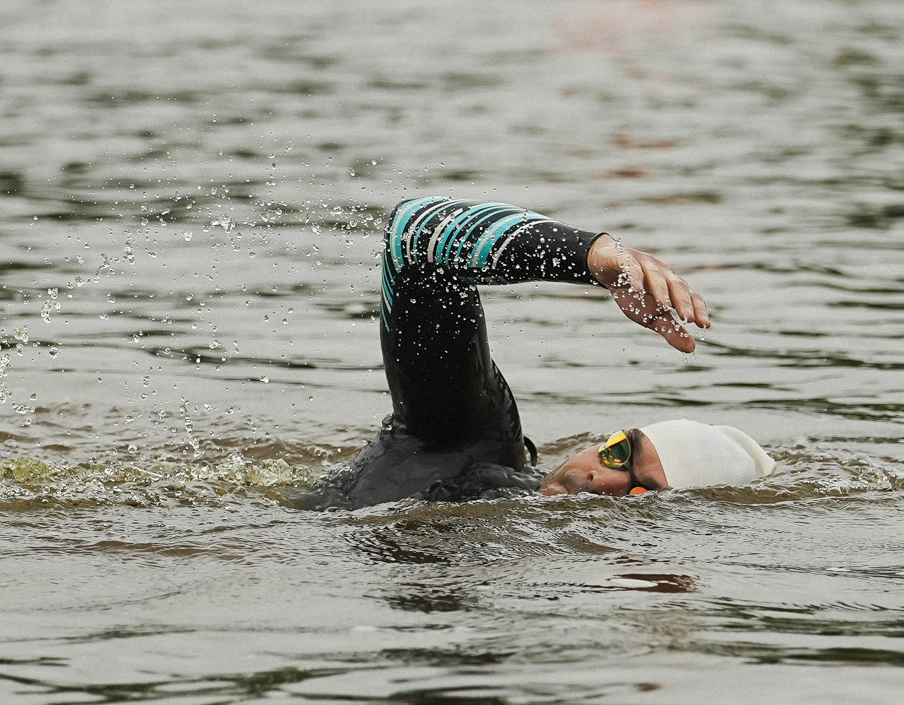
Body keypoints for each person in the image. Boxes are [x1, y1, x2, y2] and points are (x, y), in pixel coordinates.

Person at [299, 196, 776, 510]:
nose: (602, 480)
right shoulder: (468, 444)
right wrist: (592, 257)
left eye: (642, 494)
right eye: (618, 452)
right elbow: (415, 234)